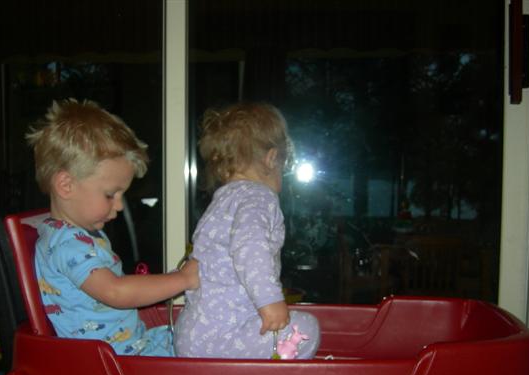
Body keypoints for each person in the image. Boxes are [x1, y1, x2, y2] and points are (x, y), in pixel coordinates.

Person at [26, 98, 198, 356]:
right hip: (114, 360)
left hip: (129, 344)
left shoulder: (77, 235)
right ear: (66, 186)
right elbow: (116, 291)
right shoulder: (66, 244)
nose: (118, 206)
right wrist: (183, 279)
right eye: (110, 195)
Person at [175, 102, 320, 359]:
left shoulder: (222, 200)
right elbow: (250, 248)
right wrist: (269, 300)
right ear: (271, 158)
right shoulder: (258, 197)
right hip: (225, 339)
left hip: (192, 337)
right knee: (307, 328)